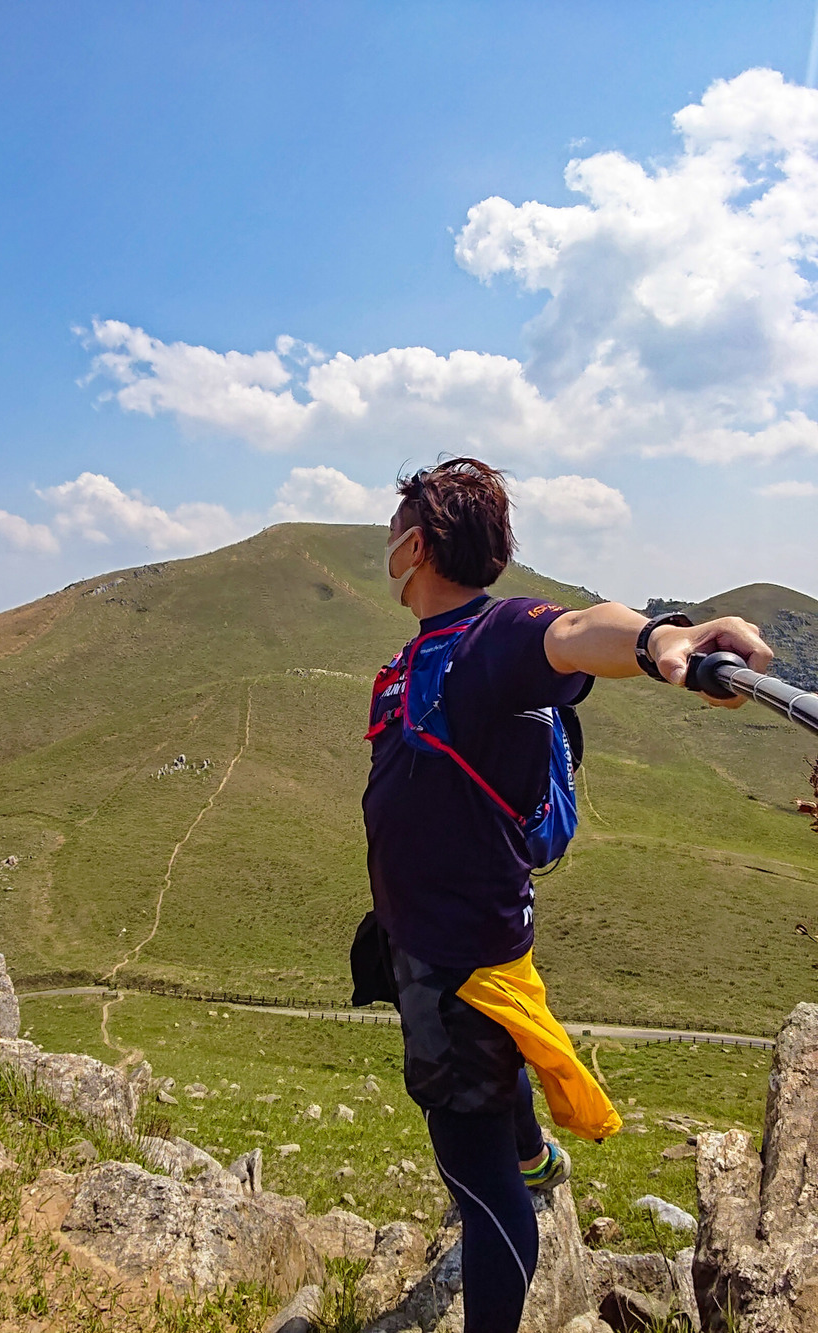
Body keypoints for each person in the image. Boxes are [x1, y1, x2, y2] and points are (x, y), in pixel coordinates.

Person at [360, 458, 773, 1333]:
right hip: (425, 942)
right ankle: (535, 1156)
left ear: (419, 544)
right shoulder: (411, 660)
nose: (385, 541)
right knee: (493, 1079)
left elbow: (577, 628)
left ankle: (516, 1208)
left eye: (395, 525)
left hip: (461, 964)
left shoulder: (492, 638)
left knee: (483, 1196)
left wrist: (668, 639)